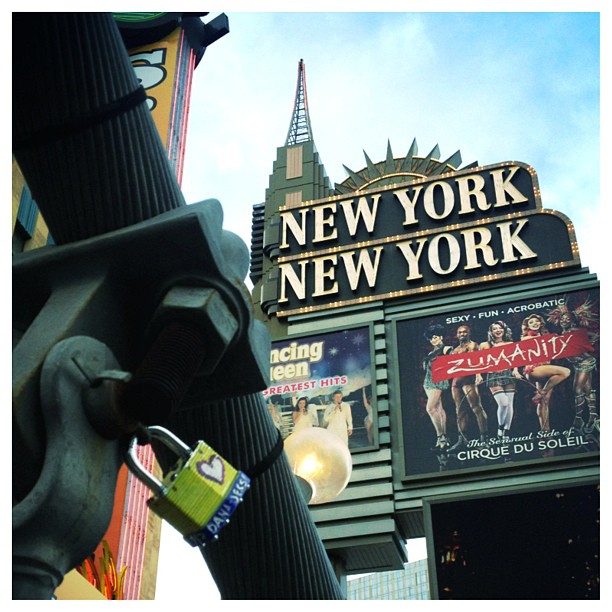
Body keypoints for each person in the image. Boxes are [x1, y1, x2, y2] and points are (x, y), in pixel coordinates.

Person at [547, 301, 598, 434]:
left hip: (585, 362)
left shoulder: (576, 331)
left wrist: (589, 343)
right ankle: (593, 416)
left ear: (573, 321)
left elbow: (592, 336)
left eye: (567, 319)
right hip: (578, 364)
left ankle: (578, 419)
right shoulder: (563, 332)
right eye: (563, 318)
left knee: (577, 389)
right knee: (587, 389)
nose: (564, 321)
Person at [521, 314, 571, 434]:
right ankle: (542, 393)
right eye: (531, 322)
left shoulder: (544, 336)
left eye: (537, 321)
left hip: (545, 370)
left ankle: (545, 431)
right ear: (527, 326)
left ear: (541, 323)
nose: (534, 323)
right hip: (534, 369)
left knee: (545, 402)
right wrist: (550, 338)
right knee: (565, 372)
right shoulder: (526, 338)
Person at [476, 321, 522, 441]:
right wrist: (478, 375)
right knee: (504, 403)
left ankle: (506, 432)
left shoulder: (510, 343)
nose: (498, 331)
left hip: (508, 373)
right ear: (491, 332)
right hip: (493, 375)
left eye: (500, 328)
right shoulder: (485, 345)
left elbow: (515, 359)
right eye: (495, 329)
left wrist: (516, 370)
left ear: (504, 330)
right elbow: (478, 361)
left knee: (510, 404)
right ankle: (500, 428)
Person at [449, 325, 489, 450]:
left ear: (469, 333)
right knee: (459, 411)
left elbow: (476, 361)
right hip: (456, 381)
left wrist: (478, 375)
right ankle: (462, 440)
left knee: (476, 407)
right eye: (459, 332)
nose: (462, 334)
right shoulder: (455, 350)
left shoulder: (473, 346)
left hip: (469, 379)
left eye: (464, 332)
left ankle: (484, 439)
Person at [422, 324, 453, 451]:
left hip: (438, 380)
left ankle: (441, 436)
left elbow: (452, 362)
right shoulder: (431, 352)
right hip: (428, 382)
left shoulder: (446, 349)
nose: (433, 340)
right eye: (431, 339)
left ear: (441, 336)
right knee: (438, 408)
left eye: (435, 337)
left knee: (430, 408)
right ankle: (444, 438)